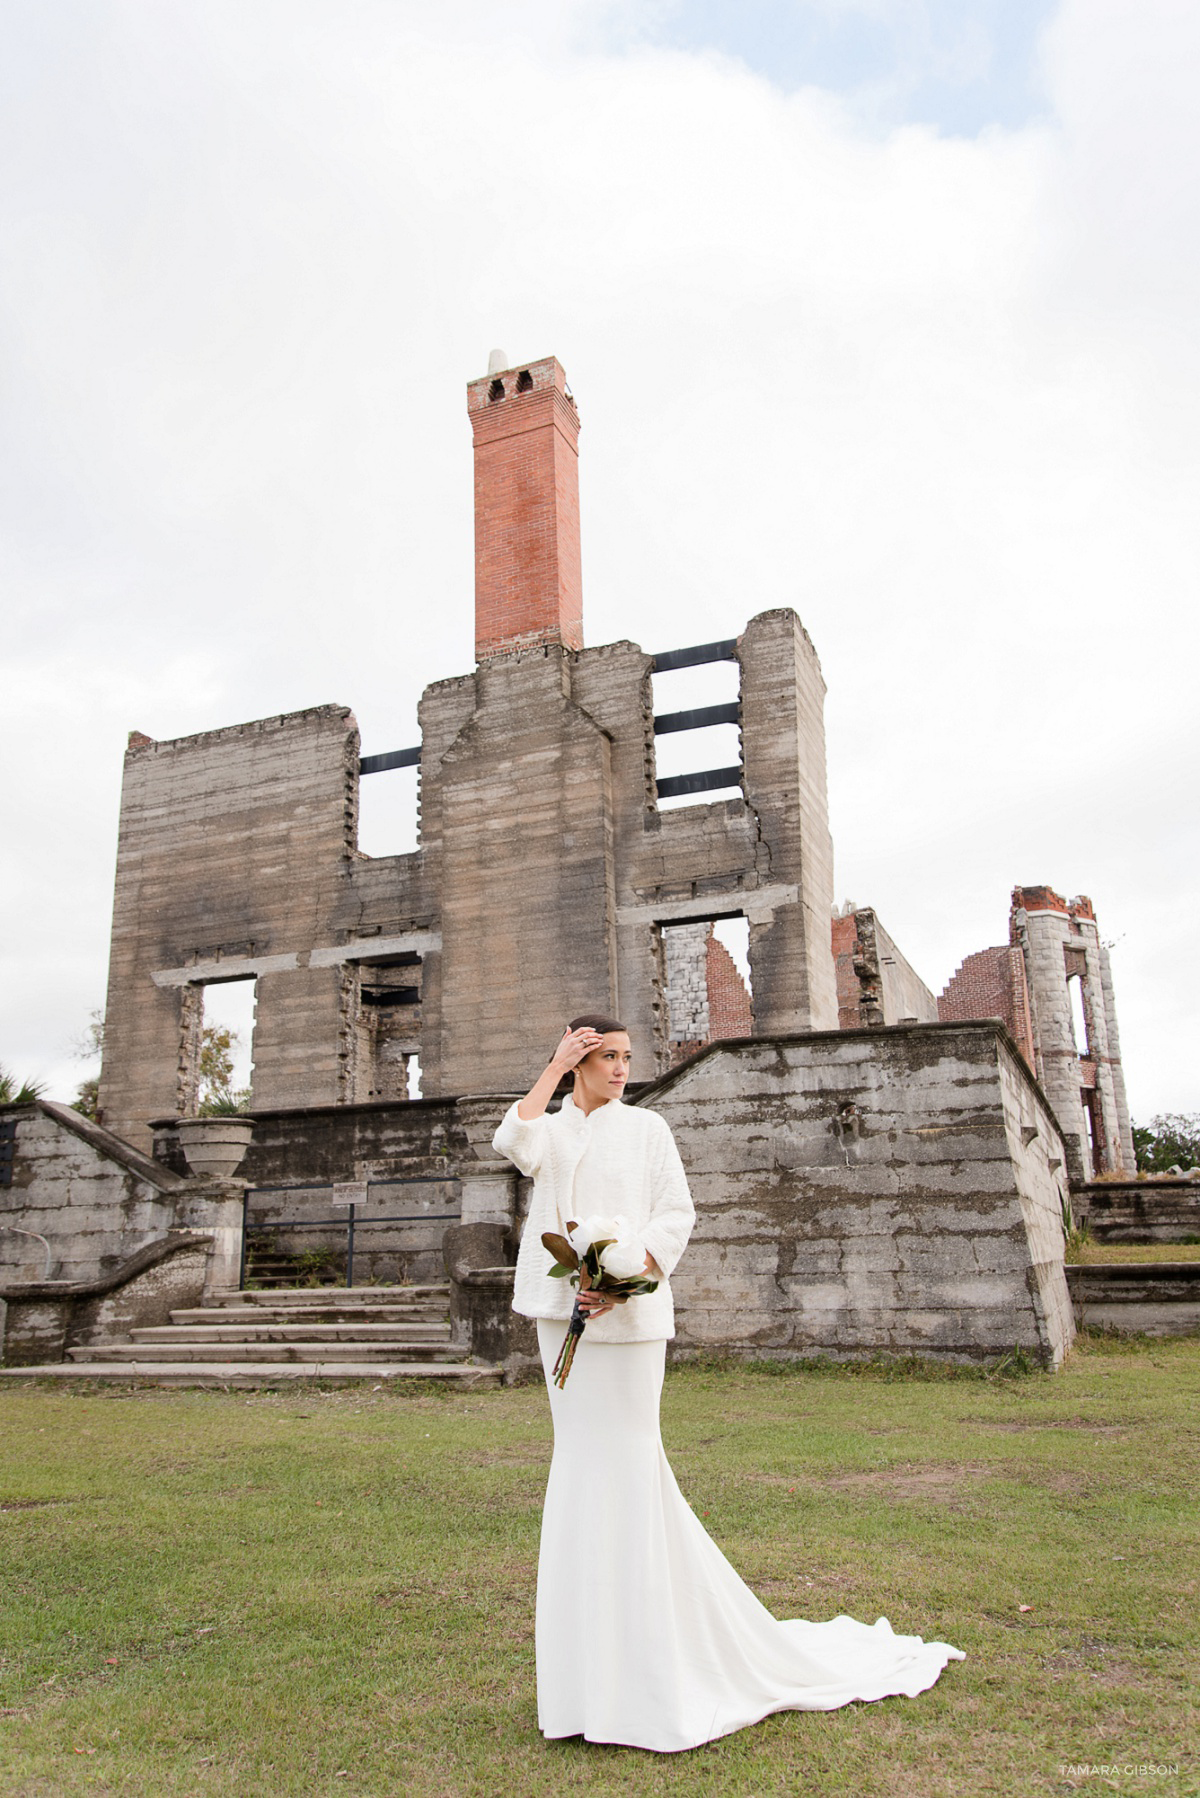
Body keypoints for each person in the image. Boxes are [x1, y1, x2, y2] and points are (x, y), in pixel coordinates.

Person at [493, 1014, 964, 1755]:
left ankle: (651, 1672)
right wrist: (553, 1067)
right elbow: (511, 1144)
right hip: (560, 1312)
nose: (620, 1068)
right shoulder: (549, 1128)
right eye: (606, 1057)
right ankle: (585, 1684)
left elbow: (677, 1214)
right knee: (579, 1469)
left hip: (633, 1319)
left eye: (625, 1057)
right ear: (579, 1061)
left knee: (629, 1465)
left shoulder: (647, 1130)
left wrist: (623, 1277)